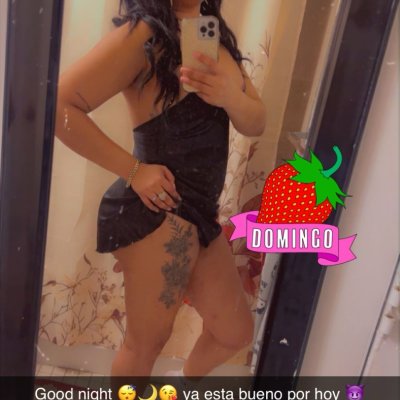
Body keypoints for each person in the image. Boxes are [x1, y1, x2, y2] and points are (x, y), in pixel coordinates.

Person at [55, 0, 266, 377]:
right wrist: (134, 171)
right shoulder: (144, 33)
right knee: (145, 345)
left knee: (234, 332)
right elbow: (59, 106)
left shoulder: (210, 32)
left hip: (199, 211)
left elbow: (256, 122)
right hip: (158, 209)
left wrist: (230, 97)